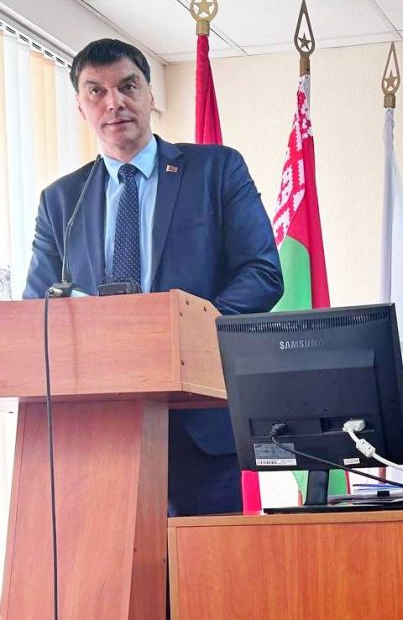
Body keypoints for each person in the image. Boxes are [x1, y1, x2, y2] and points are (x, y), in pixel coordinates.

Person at [23, 38, 283, 515]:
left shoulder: (215, 169)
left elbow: (263, 272)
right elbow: (38, 309)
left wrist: (183, 331)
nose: (114, 102)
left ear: (149, 95)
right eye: (96, 91)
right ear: (80, 107)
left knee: (201, 563)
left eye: (127, 86)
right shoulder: (60, 201)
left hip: (198, 418)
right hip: (97, 430)